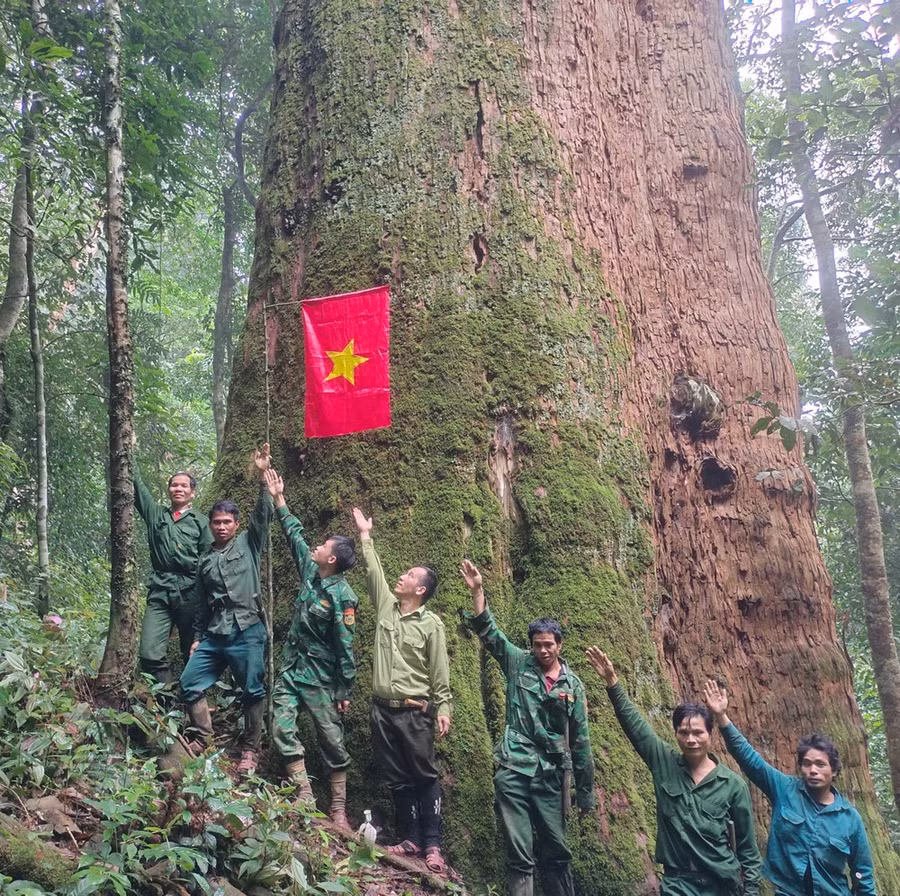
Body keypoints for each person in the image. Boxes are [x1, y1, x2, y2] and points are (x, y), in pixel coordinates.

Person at [461, 560, 594, 896]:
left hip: (551, 777)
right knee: (520, 853)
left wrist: (585, 795)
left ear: (559, 645)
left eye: (549, 644)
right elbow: (489, 632)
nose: (543, 650)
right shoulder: (518, 663)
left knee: (557, 852)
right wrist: (477, 591)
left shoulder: (573, 686)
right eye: (538, 644)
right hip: (515, 770)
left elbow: (581, 741)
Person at [586, 648, 761, 896]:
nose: (691, 739)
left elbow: (748, 849)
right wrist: (612, 683)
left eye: (698, 733)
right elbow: (637, 727)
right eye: (684, 733)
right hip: (678, 883)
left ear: (710, 735)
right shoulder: (664, 763)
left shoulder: (732, 784)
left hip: (721, 884)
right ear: (676, 734)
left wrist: (751, 891)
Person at [703, 680, 876, 896]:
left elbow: (864, 874)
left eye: (820, 764)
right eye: (807, 764)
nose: (813, 770)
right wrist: (721, 716)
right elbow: (750, 760)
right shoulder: (785, 789)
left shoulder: (850, 818)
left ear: (834, 771)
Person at [352, 507, 451, 874]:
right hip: (382, 709)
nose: (402, 576)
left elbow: (439, 669)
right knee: (396, 777)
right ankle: (410, 838)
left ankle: (433, 845)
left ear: (420, 589)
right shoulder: (386, 608)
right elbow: (373, 570)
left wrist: (444, 707)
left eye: (409, 575)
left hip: (414, 711)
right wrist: (365, 536)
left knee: (424, 776)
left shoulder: (431, 624)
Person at [266, 470, 359, 829]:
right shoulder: (310, 571)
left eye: (324, 546)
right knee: (281, 729)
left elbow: (345, 646)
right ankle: (304, 796)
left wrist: (344, 689)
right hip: (292, 671)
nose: (317, 547)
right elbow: (295, 535)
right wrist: (279, 497)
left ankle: (339, 809)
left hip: (321, 679)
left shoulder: (343, 596)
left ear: (332, 559)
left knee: (332, 741)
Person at [179, 444, 274, 775]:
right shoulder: (205, 559)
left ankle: (250, 750)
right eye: (216, 522)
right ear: (210, 525)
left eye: (227, 522)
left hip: (248, 628)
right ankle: (203, 736)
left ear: (235, 524)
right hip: (216, 633)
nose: (221, 527)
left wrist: (263, 476)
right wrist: (197, 637)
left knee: (252, 691)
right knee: (189, 682)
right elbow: (201, 603)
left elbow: (263, 514)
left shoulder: (249, 542)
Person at [134, 465, 212, 685]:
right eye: (174, 485)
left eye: (184, 486)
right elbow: (137, 487)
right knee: (149, 652)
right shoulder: (156, 514)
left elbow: (209, 560)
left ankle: (192, 699)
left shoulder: (200, 522)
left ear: (192, 493)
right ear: (169, 490)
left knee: (192, 652)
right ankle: (167, 698)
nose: (178, 489)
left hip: (190, 592)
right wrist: (129, 452)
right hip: (160, 590)